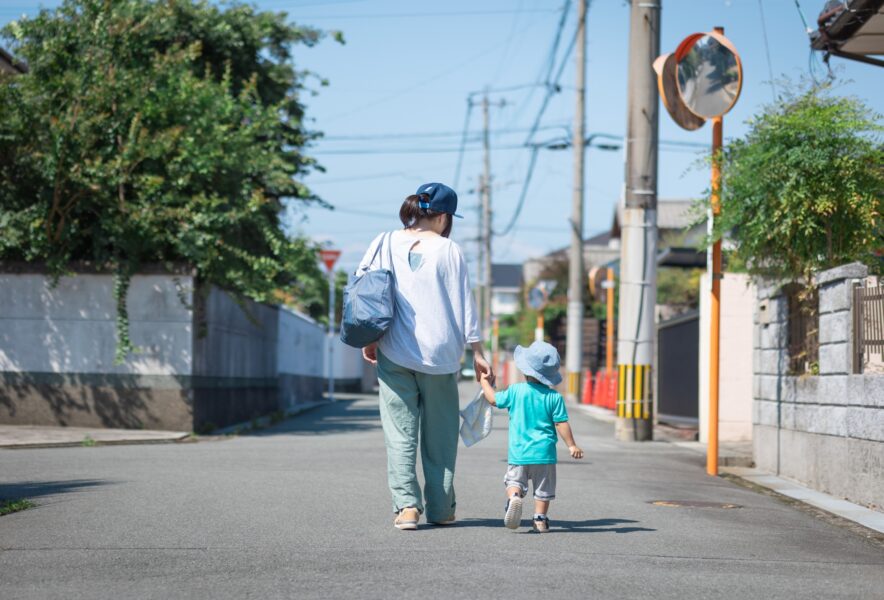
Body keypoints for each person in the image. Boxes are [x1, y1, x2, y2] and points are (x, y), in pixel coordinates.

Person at [358, 182, 492, 531]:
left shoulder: (383, 242)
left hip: (394, 350)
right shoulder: (450, 250)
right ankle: (441, 507)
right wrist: (479, 352)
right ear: (445, 216)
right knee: (441, 435)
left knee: (400, 433)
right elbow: (466, 304)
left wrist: (370, 337)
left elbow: (364, 290)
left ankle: (406, 508)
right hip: (441, 355)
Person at [479, 340, 583, 533]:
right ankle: (540, 520)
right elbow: (561, 423)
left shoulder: (516, 391)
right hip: (544, 454)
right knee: (543, 489)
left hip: (519, 452)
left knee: (513, 482)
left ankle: (515, 498)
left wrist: (484, 382)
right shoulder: (554, 397)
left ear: (525, 370)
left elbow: (493, 399)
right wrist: (571, 445)